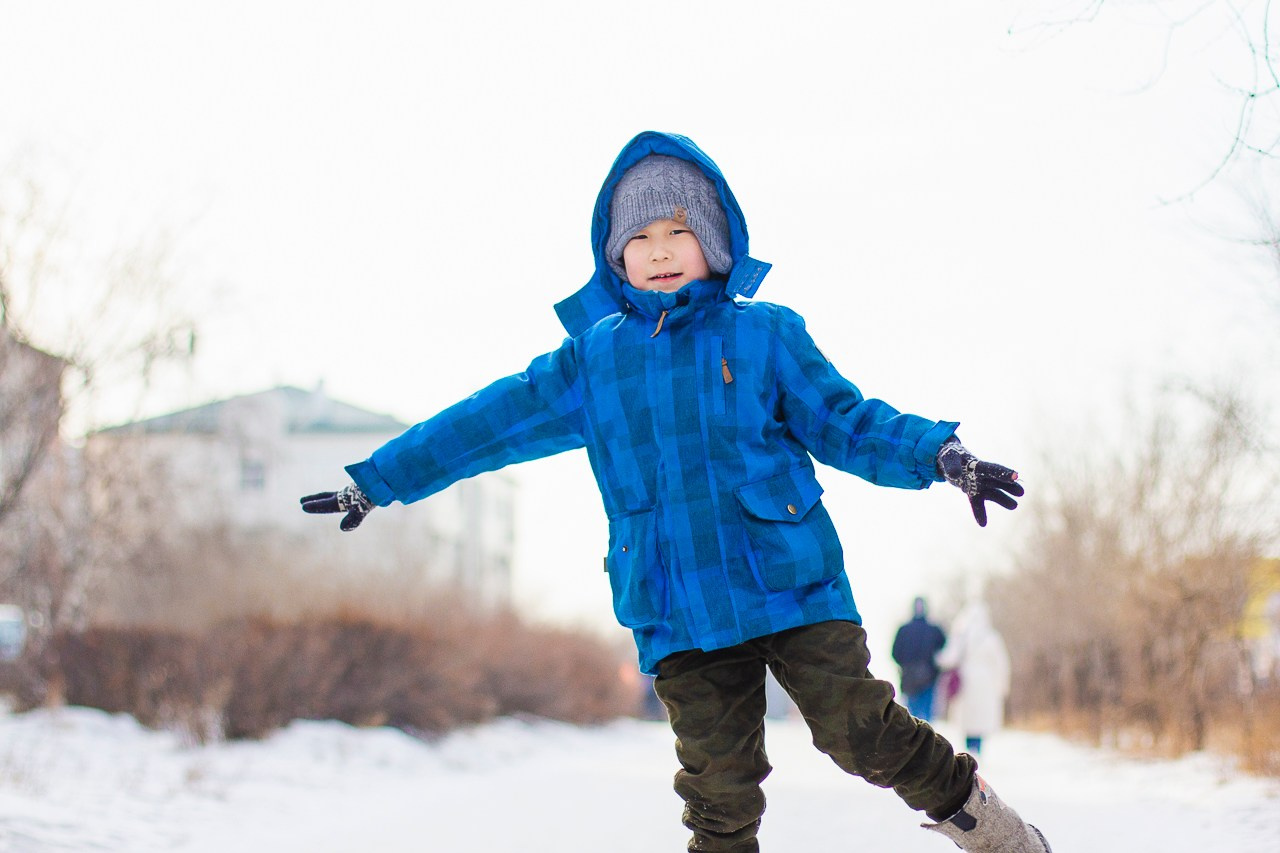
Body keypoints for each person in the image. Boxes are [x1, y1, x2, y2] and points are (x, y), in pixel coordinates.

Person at [300, 131, 1048, 853]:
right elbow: (482, 425)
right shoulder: (591, 363)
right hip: (674, 602)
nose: (659, 250)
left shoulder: (765, 337)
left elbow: (847, 423)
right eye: (641, 236)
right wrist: (379, 479)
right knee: (717, 792)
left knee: (860, 732)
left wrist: (939, 452)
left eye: (678, 231)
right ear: (615, 254)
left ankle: (988, 826)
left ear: (714, 241)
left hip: (790, 582)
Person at [937, 599, 1012, 756]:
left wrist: (935, 659)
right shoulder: (992, 637)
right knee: (981, 717)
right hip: (986, 681)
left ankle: (969, 749)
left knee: (967, 718)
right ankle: (978, 748)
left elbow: (949, 658)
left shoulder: (961, 636)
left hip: (966, 680)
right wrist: (1002, 684)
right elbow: (1001, 663)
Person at [893, 596, 948, 722]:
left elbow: (895, 653)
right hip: (927, 679)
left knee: (911, 718)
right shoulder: (935, 630)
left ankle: (913, 741)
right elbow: (943, 654)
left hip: (910, 679)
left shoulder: (903, 630)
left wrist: (905, 667)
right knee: (926, 720)